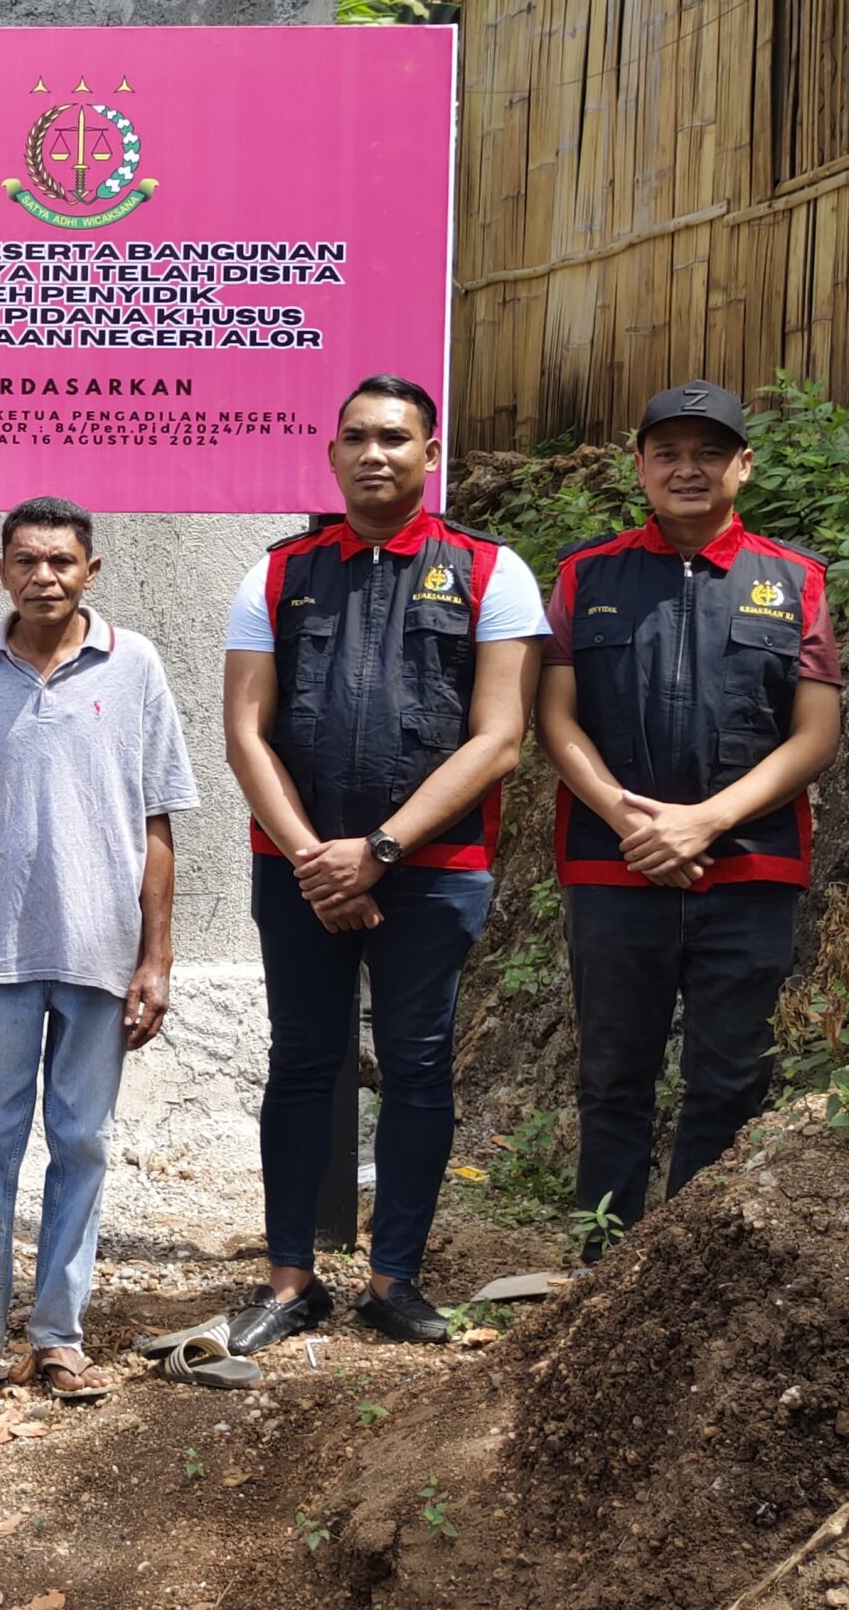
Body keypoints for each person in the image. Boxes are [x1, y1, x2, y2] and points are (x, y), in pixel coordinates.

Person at [221, 376, 545, 1351]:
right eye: (355, 437)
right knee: (301, 1063)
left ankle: (394, 1278)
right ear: (330, 455)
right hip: (299, 868)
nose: (374, 454)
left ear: (430, 454)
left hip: (433, 868)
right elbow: (244, 732)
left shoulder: (493, 573)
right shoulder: (276, 574)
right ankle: (287, 1280)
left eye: (395, 438)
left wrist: (381, 850)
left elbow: (498, 739)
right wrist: (315, 859)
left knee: (416, 1067)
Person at [0, 498, 198, 1417]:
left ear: (91, 570)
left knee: (82, 1142)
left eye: (62, 561)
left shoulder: (136, 663)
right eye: (27, 560)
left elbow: (158, 824)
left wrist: (157, 956)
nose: (45, 576)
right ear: (2, 571)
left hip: (102, 949)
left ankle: (59, 1339)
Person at [537, 381, 842, 1252]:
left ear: (743, 465)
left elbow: (814, 735)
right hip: (611, 866)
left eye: (709, 451)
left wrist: (704, 823)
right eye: (668, 452)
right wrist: (633, 821)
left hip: (748, 872)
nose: (688, 468)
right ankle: (601, 1269)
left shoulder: (796, 581)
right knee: (613, 1078)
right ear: (639, 467)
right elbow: (554, 718)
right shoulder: (586, 575)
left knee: (730, 1080)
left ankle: (689, 1272)